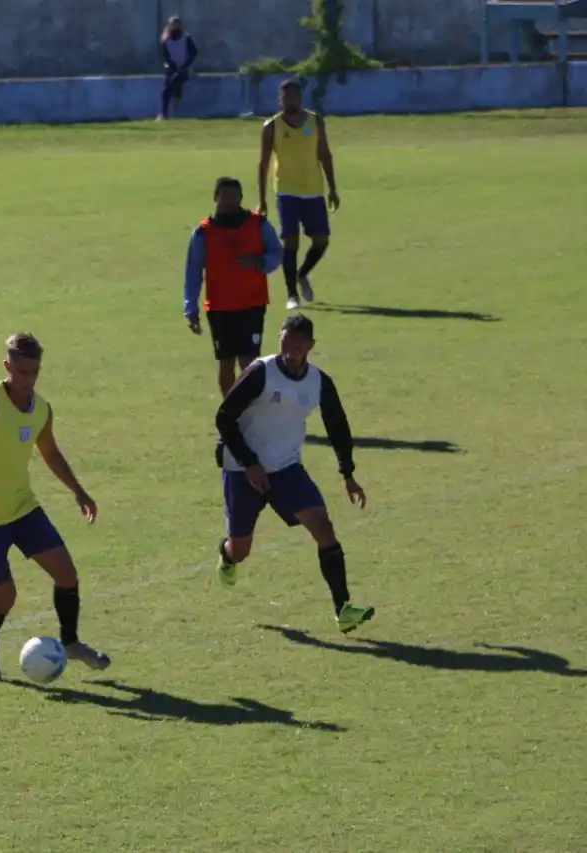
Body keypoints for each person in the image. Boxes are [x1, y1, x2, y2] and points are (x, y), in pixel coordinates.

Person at [0, 332, 111, 681]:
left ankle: (71, 642)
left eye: (34, 372)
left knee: (66, 572)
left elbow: (50, 452)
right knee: (5, 598)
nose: (28, 380)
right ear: (7, 367)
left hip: (22, 509)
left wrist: (78, 490)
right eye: (21, 372)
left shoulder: (41, 410)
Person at [213, 315, 375, 633]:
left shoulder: (318, 383)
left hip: (287, 469)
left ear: (310, 347)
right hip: (242, 470)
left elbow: (338, 427)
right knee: (241, 549)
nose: (290, 350)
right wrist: (249, 463)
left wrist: (348, 473)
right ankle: (227, 554)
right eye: (286, 341)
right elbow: (224, 418)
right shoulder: (261, 372)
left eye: (298, 345)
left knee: (324, 527)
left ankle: (344, 610)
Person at [184, 176, 285, 399]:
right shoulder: (203, 233)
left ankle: (251, 408)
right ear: (215, 197)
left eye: (234, 196)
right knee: (226, 361)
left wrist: (259, 262)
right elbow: (193, 272)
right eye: (224, 196)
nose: (229, 200)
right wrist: (190, 308)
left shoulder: (258, 224)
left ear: (241, 197)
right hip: (220, 307)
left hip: (252, 303)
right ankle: (232, 412)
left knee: (250, 362)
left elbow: (277, 253)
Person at [256, 79, 340, 310]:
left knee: (321, 241)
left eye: (293, 97)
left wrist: (332, 187)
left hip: (313, 190)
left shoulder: (315, 121)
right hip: (286, 191)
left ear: (300, 98)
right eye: (285, 98)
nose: (289, 101)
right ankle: (292, 294)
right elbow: (263, 163)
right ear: (279, 100)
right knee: (290, 242)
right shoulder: (271, 126)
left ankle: (302, 274)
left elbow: (325, 154)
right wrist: (262, 198)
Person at [158, 16, 199, 119]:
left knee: (175, 81)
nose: (175, 25)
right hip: (171, 69)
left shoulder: (186, 37)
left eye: (177, 23)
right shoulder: (165, 39)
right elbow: (165, 56)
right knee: (167, 86)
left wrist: (185, 65)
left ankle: (177, 94)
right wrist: (171, 65)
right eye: (173, 23)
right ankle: (164, 113)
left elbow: (194, 52)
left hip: (184, 69)